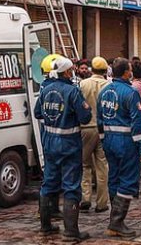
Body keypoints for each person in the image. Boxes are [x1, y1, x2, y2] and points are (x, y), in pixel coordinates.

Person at [34, 56, 92, 240]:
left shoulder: (46, 89)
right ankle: (71, 231)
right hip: (69, 145)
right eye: (71, 70)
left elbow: (37, 113)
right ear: (66, 72)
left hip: (50, 143)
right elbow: (85, 117)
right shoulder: (72, 91)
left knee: (49, 183)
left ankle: (45, 226)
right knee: (71, 186)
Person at [97, 58, 141, 238]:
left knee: (114, 178)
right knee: (128, 180)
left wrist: (103, 140)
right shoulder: (130, 93)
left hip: (109, 141)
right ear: (127, 72)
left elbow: (99, 120)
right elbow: (138, 123)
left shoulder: (104, 91)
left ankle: (115, 221)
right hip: (126, 142)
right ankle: (116, 223)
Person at [78, 57, 110, 213]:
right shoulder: (109, 85)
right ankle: (102, 202)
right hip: (103, 128)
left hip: (86, 128)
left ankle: (85, 198)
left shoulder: (83, 84)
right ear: (105, 70)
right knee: (102, 165)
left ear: (91, 69)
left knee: (84, 164)